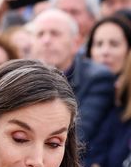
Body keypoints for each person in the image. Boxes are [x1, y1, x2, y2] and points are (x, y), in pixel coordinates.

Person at [30, 8, 115, 145]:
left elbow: (78, 135)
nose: (46, 40)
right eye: (40, 34)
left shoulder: (98, 79)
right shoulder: (22, 78)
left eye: (55, 34)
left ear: (76, 43)